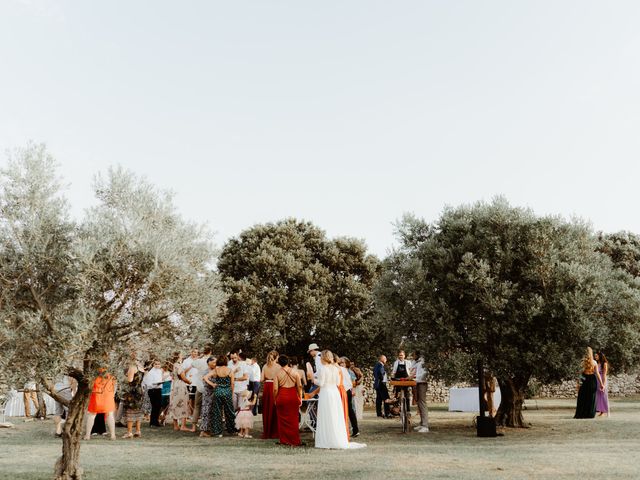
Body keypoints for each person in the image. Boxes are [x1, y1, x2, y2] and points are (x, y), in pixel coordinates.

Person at [314, 350, 365, 449]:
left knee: (326, 415)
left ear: (323, 358)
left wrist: (313, 379)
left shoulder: (322, 368)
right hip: (335, 393)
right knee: (335, 416)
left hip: (326, 393)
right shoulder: (336, 369)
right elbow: (338, 383)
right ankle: (336, 438)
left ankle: (326, 440)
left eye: (321, 357)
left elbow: (321, 383)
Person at [273, 354, 302, 446]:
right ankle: (294, 440)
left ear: (279, 363)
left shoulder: (277, 373)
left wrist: (275, 398)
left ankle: (284, 440)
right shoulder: (295, 372)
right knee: (294, 419)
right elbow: (299, 387)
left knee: (282, 420)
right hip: (293, 395)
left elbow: (275, 389)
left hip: (282, 396)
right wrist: (300, 398)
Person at [208, 353, 236, 437]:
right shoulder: (230, 370)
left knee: (217, 412)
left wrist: (212, 384)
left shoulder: (216, 370)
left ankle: (218, 432)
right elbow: (232, 384)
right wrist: (231, 393)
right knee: (230, 412)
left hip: (218, 392)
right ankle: (231, 430)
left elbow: (205, 377)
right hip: (227, 392)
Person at [84, 369, 117, 440]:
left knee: (92, 415)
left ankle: (87, 435)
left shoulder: (94, 373)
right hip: (108, 395)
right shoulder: (111, 373)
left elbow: (90, 384)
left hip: (96, 395)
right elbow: (114, 384)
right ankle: (113, 435)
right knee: (109, 414)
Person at [166, 352, 193, 431]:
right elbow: (183, 378)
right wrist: (190, 382)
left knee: (174, 404)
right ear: (178, 356)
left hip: (174, 385)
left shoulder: (173, 365)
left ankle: (175, 425)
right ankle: (183, 426)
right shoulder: (179, 366)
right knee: (183, 403)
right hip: (180, 386)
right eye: (181, 354)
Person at [574, 347, 603, 419]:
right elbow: (597, 374)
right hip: (592, 380)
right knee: (591, 397)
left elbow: (580, 374)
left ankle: (581, 413)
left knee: (583, 397)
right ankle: (590, 414)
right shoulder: (594, 362)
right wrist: (601, 384)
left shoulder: (582, 362)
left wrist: (578, 384)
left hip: (584, 379)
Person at [190, 346, 212, 431]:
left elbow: (192, 364)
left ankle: (193, 427)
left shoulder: (199, 361)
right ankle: (207, 426)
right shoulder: (212, 361)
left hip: (199, 386)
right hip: (208, 386)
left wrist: (199, 357)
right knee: (208, 406)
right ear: (210, 352)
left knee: (197, 406)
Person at [121, 359, 145, 438]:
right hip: (139, 391)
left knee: (130, 412)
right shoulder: (141, 367)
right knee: (138, 411)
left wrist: (123, 378)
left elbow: (130, 380)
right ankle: (138, 431)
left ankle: (129, 432)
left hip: (132, 392)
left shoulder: (132, 367)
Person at [261, 350, 280, 439]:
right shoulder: (278, 367)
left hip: (267, 387)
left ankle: (267, 431)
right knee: (274, 408)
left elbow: (261, 379)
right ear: (276, 357)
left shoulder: (265, 366)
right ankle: (275, 431)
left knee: (267, 408)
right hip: (275, 386)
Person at [339, 357, 359, 437]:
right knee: (349, 411)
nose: (341, 364)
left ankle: (354, 429)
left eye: (343, 363)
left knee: (349, 410)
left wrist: (352, 390)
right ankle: (353, 429)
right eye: (340, 363)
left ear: (346, 363)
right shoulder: (341, 370)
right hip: (345, 390)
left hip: (347, 391)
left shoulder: (349, 371)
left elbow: (353, 382)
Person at [198, 356, 217, 437]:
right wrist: (213, 383)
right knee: (206, 411)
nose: (215, 364)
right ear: (209, 362)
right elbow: (205, 382)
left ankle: (208, 429)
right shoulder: (206, 371)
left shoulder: (214, 370)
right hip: (208, 394)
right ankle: (203, 431)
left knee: (211, 412)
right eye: (214, 362)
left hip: (213, 394)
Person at [411, 351, 429, 432]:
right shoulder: (417, 362)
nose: (412, 356)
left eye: (414, 355)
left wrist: (416, 378)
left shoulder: (423, 362)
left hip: (422, 383)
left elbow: (424, 373)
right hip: (417, 383)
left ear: (418, 355)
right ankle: (422, 423)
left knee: (422, 403)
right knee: (419, 404)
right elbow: (411, 367)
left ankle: (425, 426)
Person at [144, 360, 164, 427]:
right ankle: (152, 422)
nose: (157, 365)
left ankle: (156, 421)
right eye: (156, 364)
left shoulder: (160, 371)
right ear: (153, 365)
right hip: (152, 390)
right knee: (154, 406)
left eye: (158, 364)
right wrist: (156, 384)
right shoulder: (150, 373)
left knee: (159, 406)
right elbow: (148, 384)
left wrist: (161, 382)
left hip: (158, 390)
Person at [391, 350, 412, 414]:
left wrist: (410, 377)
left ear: (404, 356)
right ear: (398, 356)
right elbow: (394, 372)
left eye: (402, 355)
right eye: (400, 355)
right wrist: (392, 378)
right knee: (396, 395)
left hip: (406, 380)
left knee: (407, 395)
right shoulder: (396, 362)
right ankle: (397, 409)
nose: (401, 356)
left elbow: (411, 371)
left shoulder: (408, 362)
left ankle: (408, 410)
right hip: (398, 380)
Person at [595, 352, 610, 417]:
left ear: (600, 356)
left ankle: (608, 411)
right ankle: (601, 411)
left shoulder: (604, 364)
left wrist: (603, 384)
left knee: (604, 396)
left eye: (596, 356)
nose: (595, 357)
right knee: (598, 396)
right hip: (597, 380)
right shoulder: (596, 363)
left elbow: (604, 374)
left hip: (603, 379)